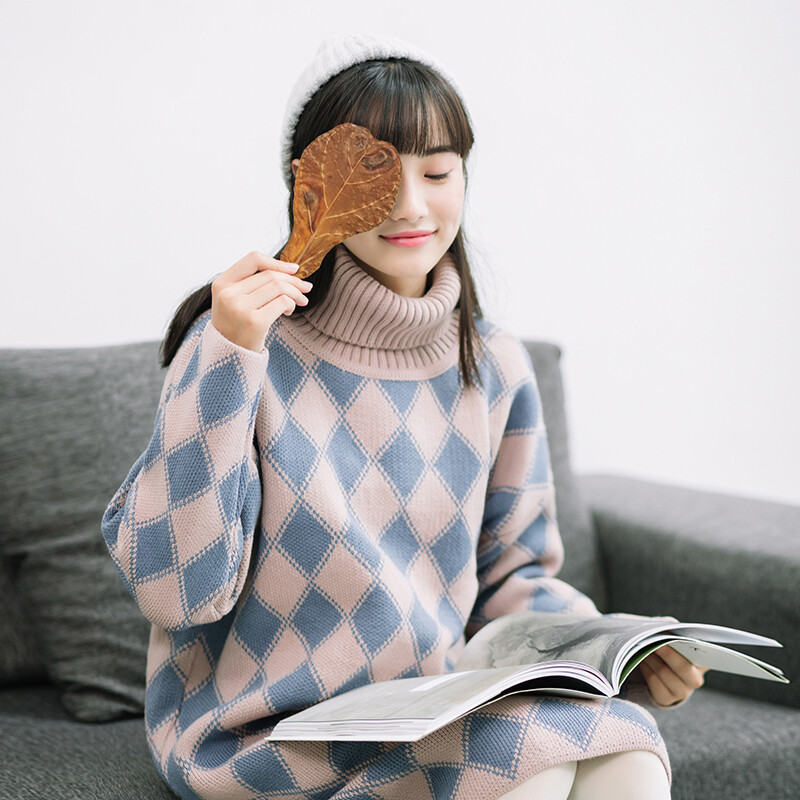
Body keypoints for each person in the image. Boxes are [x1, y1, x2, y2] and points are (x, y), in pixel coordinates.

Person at [102, 34, 705, 800]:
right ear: (311, 191)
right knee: (538, 761)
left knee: (627, 745)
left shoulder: (495, 366)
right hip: (263, 731)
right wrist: (228, 354)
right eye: (378, 173)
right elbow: (176, 593)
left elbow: (514, 581)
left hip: (430, 709)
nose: (413, 205)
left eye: (439, 170)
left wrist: (615, 651)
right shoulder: (241, 346)